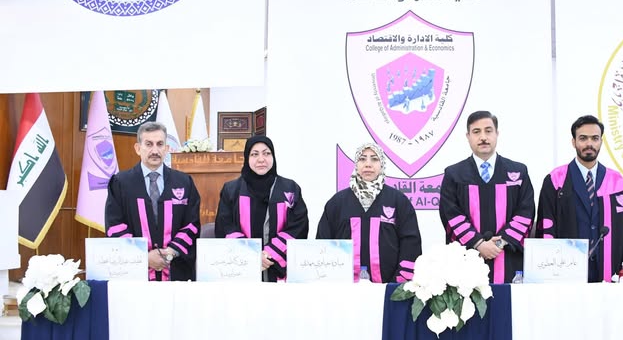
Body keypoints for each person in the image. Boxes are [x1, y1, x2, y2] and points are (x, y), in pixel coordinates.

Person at [536, 115, 623, 282]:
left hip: (610, 269)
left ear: (601, 142)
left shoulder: (617, 182)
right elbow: (546, 227)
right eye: (583, 138)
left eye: (595, 138)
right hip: (566, 271)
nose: (589, 144)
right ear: (574, 142)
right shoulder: (556, 180)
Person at [439, 111, 535, 284]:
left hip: (509, 260)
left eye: (488, 131)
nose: (483, 137)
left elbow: (526, 212)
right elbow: (451, 215)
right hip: (466, 262)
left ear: (497, 133)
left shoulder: (518, 172)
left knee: (508, 301)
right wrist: (479, 244)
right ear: (468, 136)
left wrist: (498, 244)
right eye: (476, 132)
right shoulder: (454, 174)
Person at [105, 121, 201, 281]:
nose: (155, 151)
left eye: (160, 144)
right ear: (138, 148)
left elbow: (192, 224)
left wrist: (170, 253)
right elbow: (115, 226)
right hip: (134, 273)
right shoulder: (120, 183)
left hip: (176, 271)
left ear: (167, 148)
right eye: (148, 144)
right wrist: (144, 256)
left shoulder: (184, 182)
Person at [316, 143, 421, 283]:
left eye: (374, 159)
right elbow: (323, 244)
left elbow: (410, 243)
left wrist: (396, 284)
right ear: (356, 164)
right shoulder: (337, 203)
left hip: (388, 288)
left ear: (382, 164)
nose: (368, 164)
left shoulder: (398, 201)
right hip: (343, 288)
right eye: (362, 159)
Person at [215, 135, 309, 282]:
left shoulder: (290, 188)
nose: (261, 159)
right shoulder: (232, 190)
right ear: (247, 158)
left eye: (266, 153)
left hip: (280, 270)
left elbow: (299, 226)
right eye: (254, 154)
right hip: (241, 269)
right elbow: (225, 226)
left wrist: (269, 253)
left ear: (273, 157)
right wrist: (252, 255)